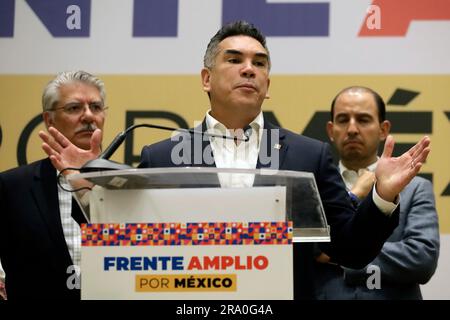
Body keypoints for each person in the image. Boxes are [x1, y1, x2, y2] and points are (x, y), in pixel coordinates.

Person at [40, 21, 431, 299]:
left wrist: (381, 197)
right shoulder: (163, 155)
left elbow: (351, 250)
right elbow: (132, 245)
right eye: (235, 59)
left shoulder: (307, 154)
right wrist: (87, 188)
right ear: (206, 78)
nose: (249, 68)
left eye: (259, 63)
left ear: (268, 86)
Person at [312, 86, 439, 299]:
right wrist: (354, 194)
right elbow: (308, 252)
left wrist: (339, 253)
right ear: (330, 130)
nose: (352, 129)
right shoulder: (313, 186)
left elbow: (422, 259)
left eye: (363, 120)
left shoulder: (416, 188)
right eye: (343, 120)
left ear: (383, 129)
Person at [0, 70, 106, 299]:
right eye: (74, 108)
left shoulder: (128, 183)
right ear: (49, 120)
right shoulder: (11, 187)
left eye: (96, 107)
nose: (89, 116)